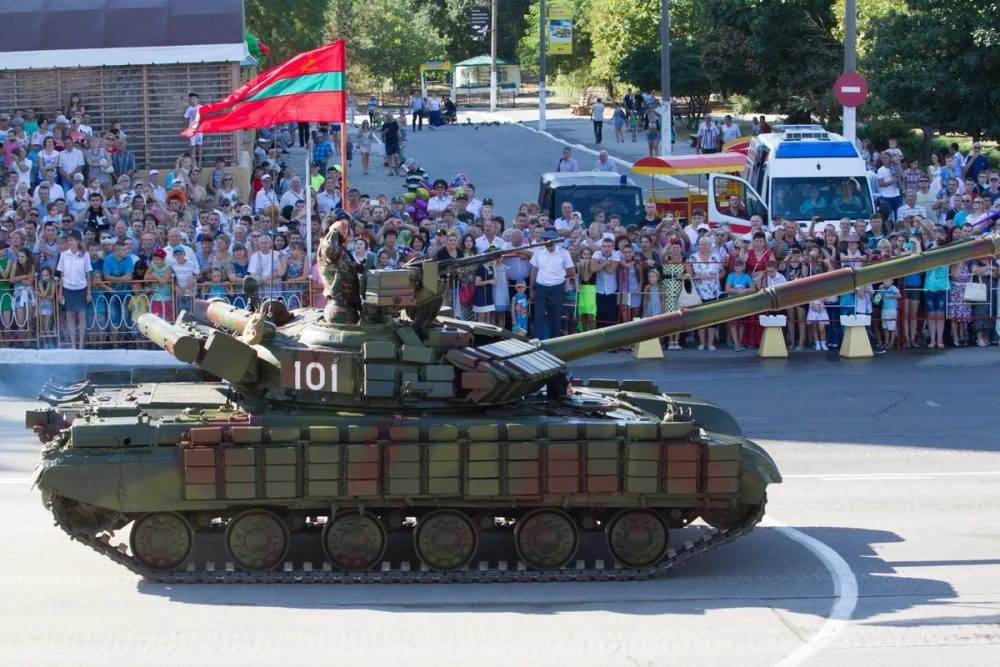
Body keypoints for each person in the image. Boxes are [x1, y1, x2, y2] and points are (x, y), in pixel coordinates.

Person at [529, 230, 576, 340]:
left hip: (557, 287)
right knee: (539, 315)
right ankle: (538, 341)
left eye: (550, 243)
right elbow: (533, 272)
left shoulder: (564, 253)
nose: (549, 246)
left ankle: (555, 341)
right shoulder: (538, 252)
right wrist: (531, 289)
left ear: (555, 242)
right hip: (541, 287)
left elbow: (571, 272)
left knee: (555, 316)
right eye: (546, 242)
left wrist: (560, 278)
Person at [318, 213, 363, 324]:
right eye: (341, 226)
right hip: (339, 307)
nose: (344, 229)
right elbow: (328, 249)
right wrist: (333, 231)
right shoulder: (327, 245)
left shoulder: (341, 249)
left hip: (349, 308)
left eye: (347, 226)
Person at [56, 230, 92, 350]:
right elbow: (62, 275)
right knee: (70, 316)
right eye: (68, 240)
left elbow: (88, 275)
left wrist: (88, 293)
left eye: (72, 240)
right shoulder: (63, 255)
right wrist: (60, 293)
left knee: (81, 316)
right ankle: (73, 344)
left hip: (81, 288)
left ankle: (81, 344)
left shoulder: (85, 255)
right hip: (68, 288)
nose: (69, 242)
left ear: (78, 241)